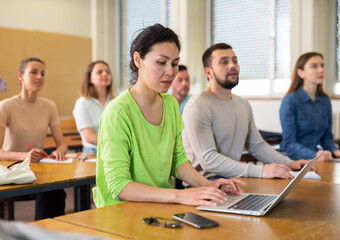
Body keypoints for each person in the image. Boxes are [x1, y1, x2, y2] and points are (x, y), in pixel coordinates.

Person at [93, 24, 246, 208]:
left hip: (159, 206)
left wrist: (208, 185)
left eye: (174, 63)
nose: (170, 72)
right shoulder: (118, 112)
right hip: (122, 212)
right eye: (161, 62)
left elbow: (178, 159)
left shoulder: (170, 104)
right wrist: (180, 196)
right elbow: (119, 186)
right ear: (138, 60)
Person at [182, 43, 311, 180]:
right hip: (203, 183)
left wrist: (290, 163)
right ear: (208, 72)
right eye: (224, 62)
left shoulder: (243, 104)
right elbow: (208, 160)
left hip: (233, 179)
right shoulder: (198, 106)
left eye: (235, 61)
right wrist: (261, 171)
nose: (232, 65)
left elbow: (257, 146)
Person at [0, 57, 68, 220]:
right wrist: (24, 156)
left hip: (37, 170)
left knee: (55, 191)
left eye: (43, 73)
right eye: (34, 72)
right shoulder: (6, 106)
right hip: (11, 170)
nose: (39, 77)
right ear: (20, 76)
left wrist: (59, 151)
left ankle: (44, 235)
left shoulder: (49, 106)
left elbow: (63, 145)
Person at [279, 52, 339, 161]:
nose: (321, 70)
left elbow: (327, 138)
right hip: (293, 159)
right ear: (301, 73)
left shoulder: (325, 101)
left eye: (322, 65)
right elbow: (289, 143)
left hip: (318, 159)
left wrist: (335, 150)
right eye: (314, 66)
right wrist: (315, 155)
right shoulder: (290, 101)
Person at [73, 60, 114, 153]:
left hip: (116, 151)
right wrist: (116, 144)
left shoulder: (115, 102)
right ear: (90, 79)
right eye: (100, 72)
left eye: (108, 72)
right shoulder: (82, 103)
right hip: (93, 152)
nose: (105, 74)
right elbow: (89, 137)